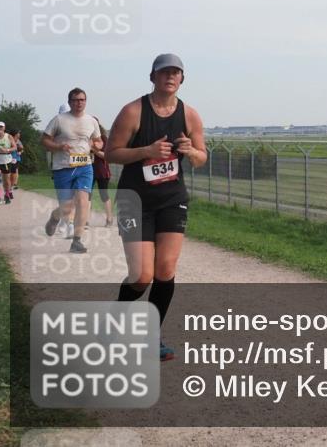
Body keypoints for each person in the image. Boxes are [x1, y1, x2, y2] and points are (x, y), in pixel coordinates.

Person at [106, 54, 206, 362]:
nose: (170, 77)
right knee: (142, 275)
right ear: (153, 77)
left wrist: (192, 152)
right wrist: (146, 151)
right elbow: (111, 154)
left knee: (165, 269)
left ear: (182, 79)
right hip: (135, 201)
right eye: (164, 72)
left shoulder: (190, 115)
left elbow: (202, 156)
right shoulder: (133, 111)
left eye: (176, 72)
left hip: (171, 199)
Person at [42, 90, 102, 254]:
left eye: (82, 100)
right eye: (75, 100)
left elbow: (98, 140)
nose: (79, 103)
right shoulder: (59, 120)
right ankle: (55, 218)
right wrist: (58, 147)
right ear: (69, 102)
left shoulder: (91, 121)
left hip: (85, 166)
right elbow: (45, 140)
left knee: (82, 202)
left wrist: (98, 146)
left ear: (86, 101)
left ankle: (77, 241)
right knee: (66, 208)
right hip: (63, 167)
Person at [91, 116, 114, 227]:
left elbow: (106, 156)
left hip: (102, 171)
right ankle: (85, 220)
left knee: (103, 194)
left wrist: (94, 150)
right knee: (86, 195)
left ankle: (109, 219)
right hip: (88, 171)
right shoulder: (86, 138)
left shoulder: (103, 139)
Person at [0, 122, 16, 205]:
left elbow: (14, 147)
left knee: (6, 180)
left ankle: (6, 194)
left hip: (6, 160)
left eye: (1, 127)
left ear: (4, 128)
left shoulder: (8, 136)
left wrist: (7, 150)